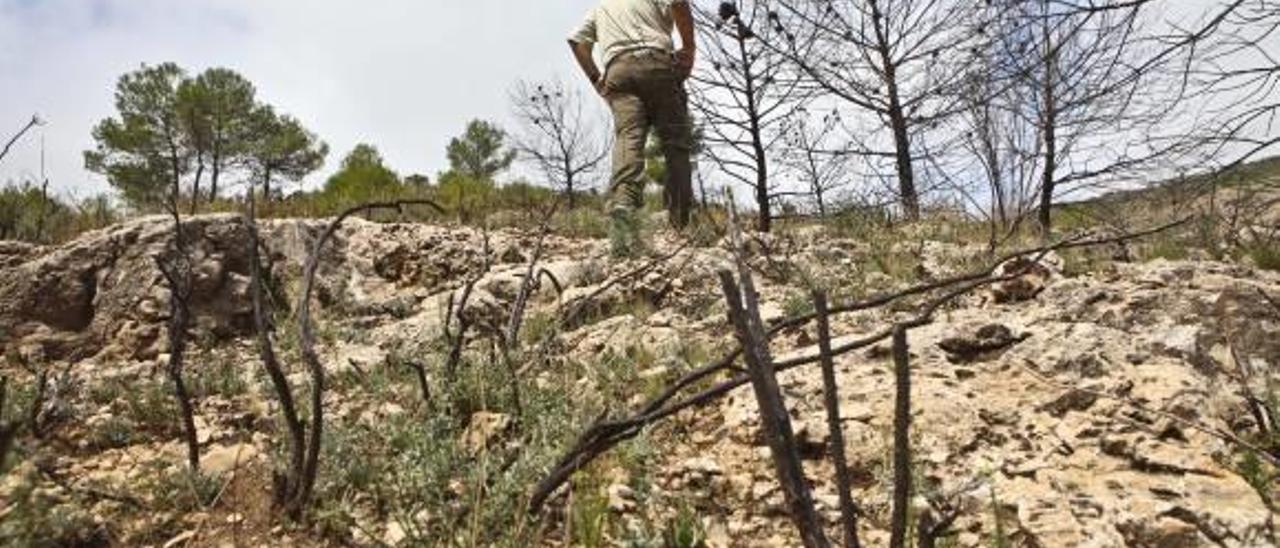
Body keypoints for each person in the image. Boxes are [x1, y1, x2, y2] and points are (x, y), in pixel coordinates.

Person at [568, 0, 696, 255]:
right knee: (675, 145)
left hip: (619, 71)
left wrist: (596, 78)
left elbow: (576, 41)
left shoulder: (602, 7)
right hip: (657, 62)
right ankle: (679, 223)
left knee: (628, 139)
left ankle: (624, 206)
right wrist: (689, 48)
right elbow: (679, 3)